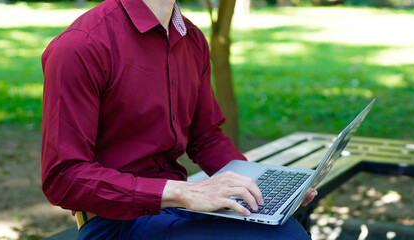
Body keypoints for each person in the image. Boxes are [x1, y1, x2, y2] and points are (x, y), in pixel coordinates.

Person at [40, 0, 317, 238]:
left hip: (180, 207)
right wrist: (182, 192)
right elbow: (63, 178)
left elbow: (205, 137)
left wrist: (257, 186)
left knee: (285, 224)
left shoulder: (192, 39)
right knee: (283, 236)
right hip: (114, 224)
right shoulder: (80, 45)